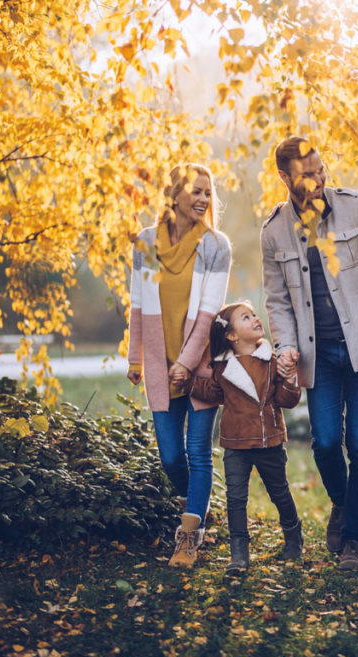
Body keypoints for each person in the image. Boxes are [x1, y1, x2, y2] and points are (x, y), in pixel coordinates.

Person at [261, 136, 358, 571]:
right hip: (316, 356)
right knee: (324, 443)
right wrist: (285, 346)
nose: (320, 179)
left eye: (322, 169)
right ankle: (343, 503)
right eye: (308, 174)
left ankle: (354, 540)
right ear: (284, 177)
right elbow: (277, 300)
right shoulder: (273, 231)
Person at [127, 163, 231, 569]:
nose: (204, 199)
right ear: (174, 195)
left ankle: (188, 537)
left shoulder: (215, 245)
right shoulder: (146, 243)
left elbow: (208, 314)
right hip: (158, 360)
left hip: (200, 364)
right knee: (171, 457)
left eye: (209, 192)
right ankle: (199, 506)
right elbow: (137, 304)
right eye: (196, 191)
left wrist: (187, 364)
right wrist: (136, 356)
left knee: (198, 453)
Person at [189, 301, 302, 574]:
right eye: (245, 317)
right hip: (235, 444)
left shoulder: (272, 361)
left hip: (269, 442)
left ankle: (293, 534)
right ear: (231, 336)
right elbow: (211, 392)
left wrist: (289, 380)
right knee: (236, 499)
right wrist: (186, 381)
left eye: (253, 315)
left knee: (279, 492)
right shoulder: (222, 368)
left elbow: (288, 400)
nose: (255, 319)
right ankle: (239, 553)